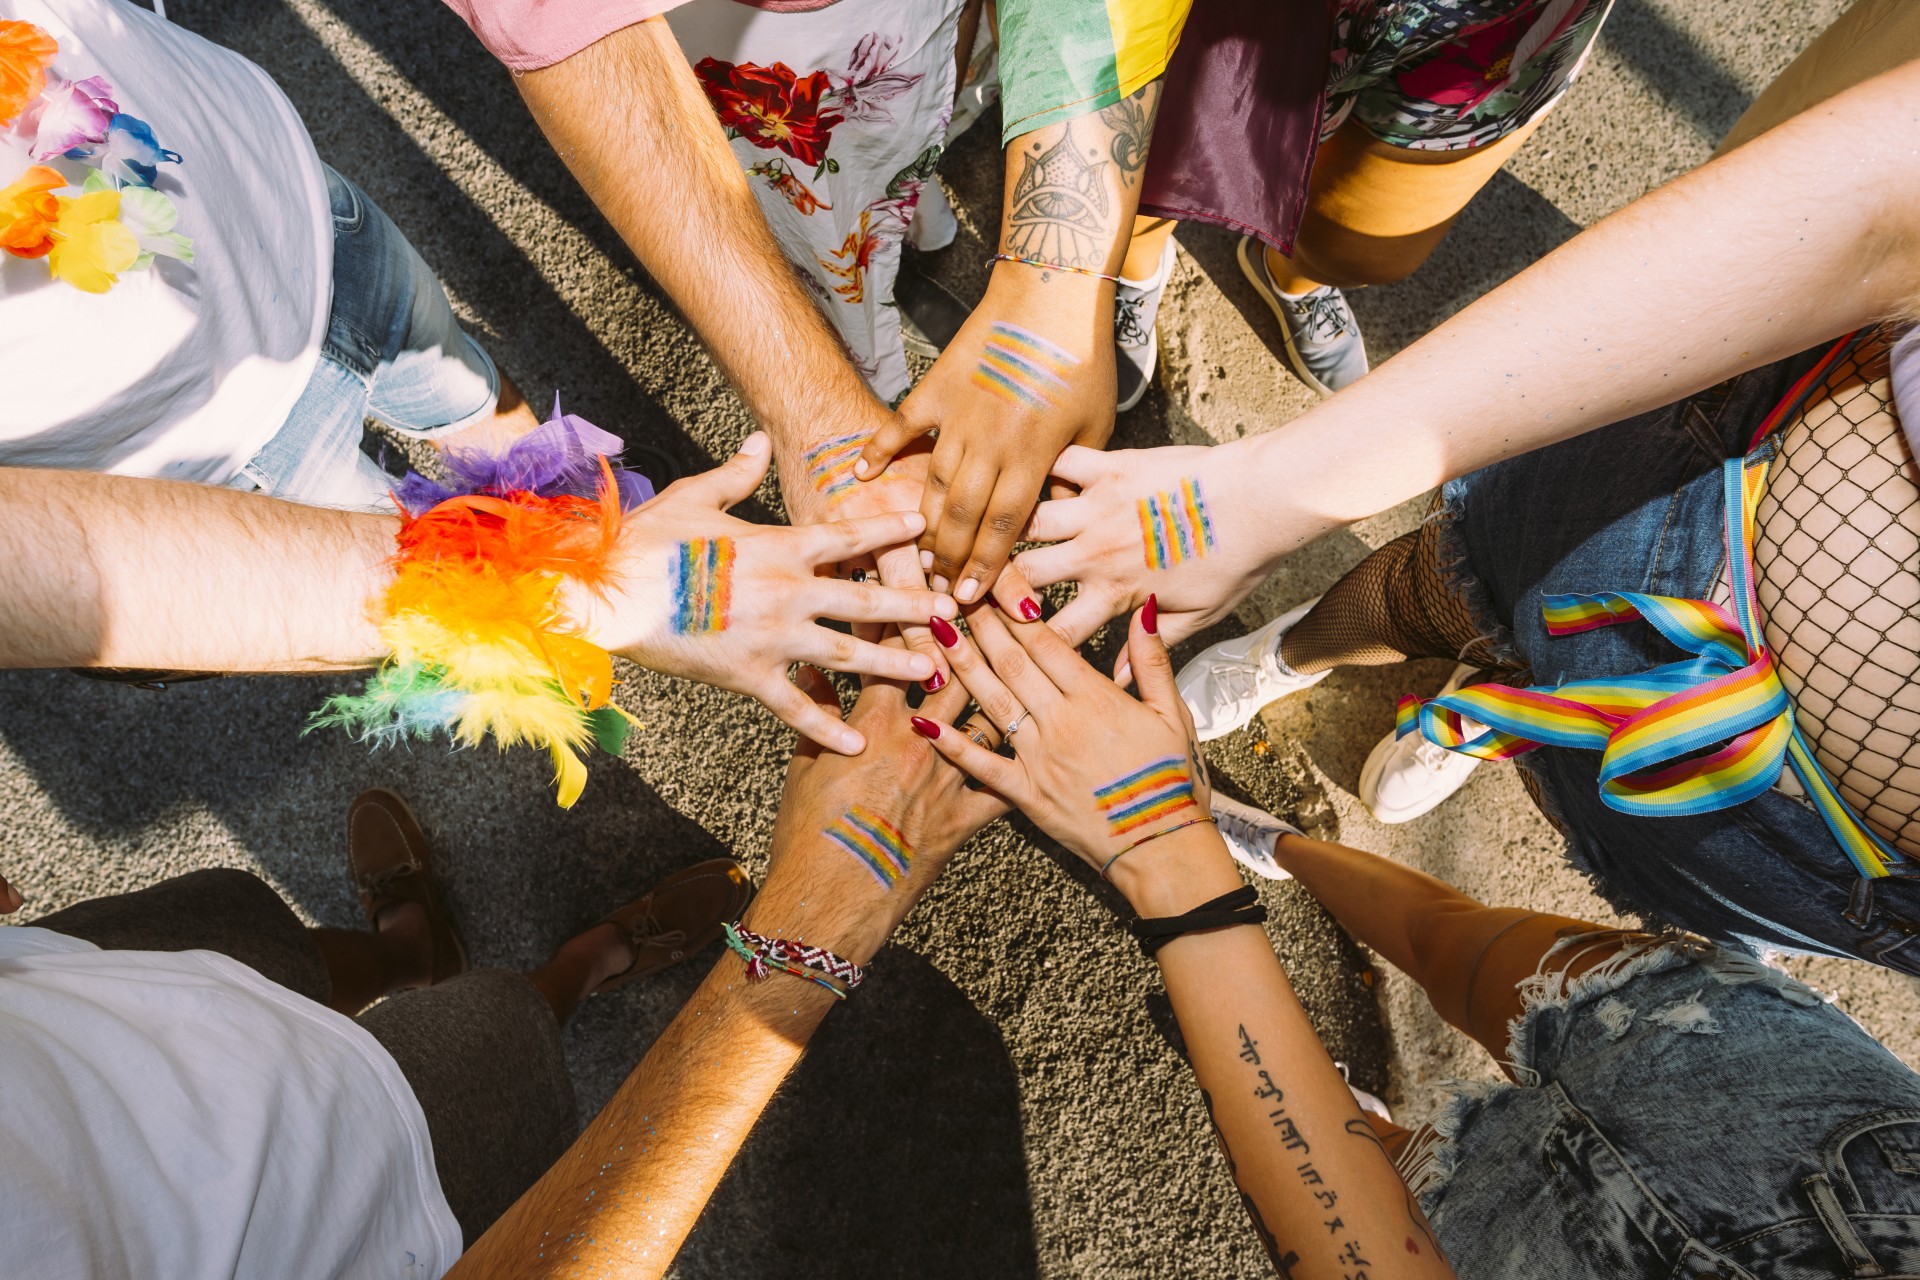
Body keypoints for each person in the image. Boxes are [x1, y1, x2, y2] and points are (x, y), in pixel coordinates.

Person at [993, 55, 1920, 968]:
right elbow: (1870, 207)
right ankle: (1286, 654)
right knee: (1446, 587)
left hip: (1809, 859)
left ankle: (1486, 714)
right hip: (1694, 525)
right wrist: (1269, 492)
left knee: (1531, 714)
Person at [915, 596, 1920, 1278]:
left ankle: (1347, 1106)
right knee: (1453, 941)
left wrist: (1170, 861)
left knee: (1393, 1168)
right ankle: (1290, 849)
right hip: (1820, 1133)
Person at [445, 1, 1188, 647]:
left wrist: (1049, 292)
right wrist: (819, 412)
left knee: (894, 142)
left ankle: (906, 198)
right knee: (821, 219)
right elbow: (565, 18)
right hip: (747, 37)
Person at [0, 787, 752, 1268]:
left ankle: (408, 955)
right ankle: (586, 968)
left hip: (41, 1004)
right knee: (494, 1042)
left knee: (247, 944)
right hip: (264, 1225)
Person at [0, 0, 538, 511]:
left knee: (505, 446)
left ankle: (591, 546)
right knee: (446, 591)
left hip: (297, 205)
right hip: (208, 454)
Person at [1123, 0, 1616, 398]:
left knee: (1367, 245)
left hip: (1498, 27)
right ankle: (1133, 264)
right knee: (1163, 151)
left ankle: (1293, 277)